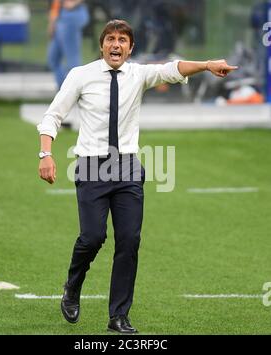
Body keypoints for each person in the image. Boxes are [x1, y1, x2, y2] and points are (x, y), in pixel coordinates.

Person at [37, 19, 237, 334]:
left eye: (122, 40)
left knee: (129, 241)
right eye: (110, 39)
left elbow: (173, 69)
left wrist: (208, 64)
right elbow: (53, 115)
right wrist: (46, 154)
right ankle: (73, 285)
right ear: (102, 44)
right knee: (92, 238)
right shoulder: (81, 75)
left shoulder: (138, 74)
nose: (116, 45)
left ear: (131, 48)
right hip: (91, 166)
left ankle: (118, 317)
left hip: (128, 167)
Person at [47, 0, 90, 89]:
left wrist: (75, 3)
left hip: (72, 14)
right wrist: (52, 22)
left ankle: (76, 90)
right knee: (53, 58)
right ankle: (64, 89)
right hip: (61, 15)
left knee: (72, 60)